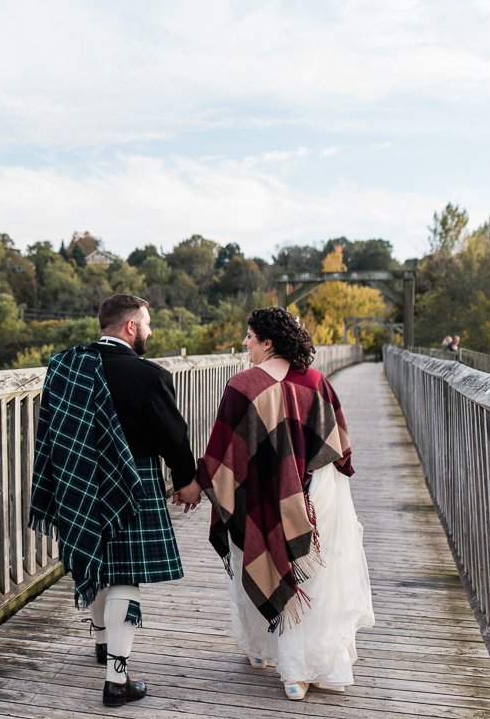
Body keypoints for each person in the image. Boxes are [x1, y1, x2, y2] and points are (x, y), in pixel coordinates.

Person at [173, 307, 374, 700]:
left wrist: (195, 485)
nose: (245, 343)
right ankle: (301, 665)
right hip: (319, 492)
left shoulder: (243, 386)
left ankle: (286, 666)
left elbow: (221, 454)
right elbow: (340, 447)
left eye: (249, 336)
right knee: (313, 577)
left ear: (267, 343)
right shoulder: (316, 381)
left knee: (258, 552)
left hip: (263, 493)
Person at [30, 294, 195, 707]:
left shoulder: (66, 367)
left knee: (99, 561)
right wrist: (187, 480)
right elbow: (172, 437)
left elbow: (52, 427)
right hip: (130, 479)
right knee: (123, 576)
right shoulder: (148, 375)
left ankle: (104, 643)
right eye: (148, 324)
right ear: (130, 328)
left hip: (79, 480)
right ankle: (116, 681)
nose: (150, 331)